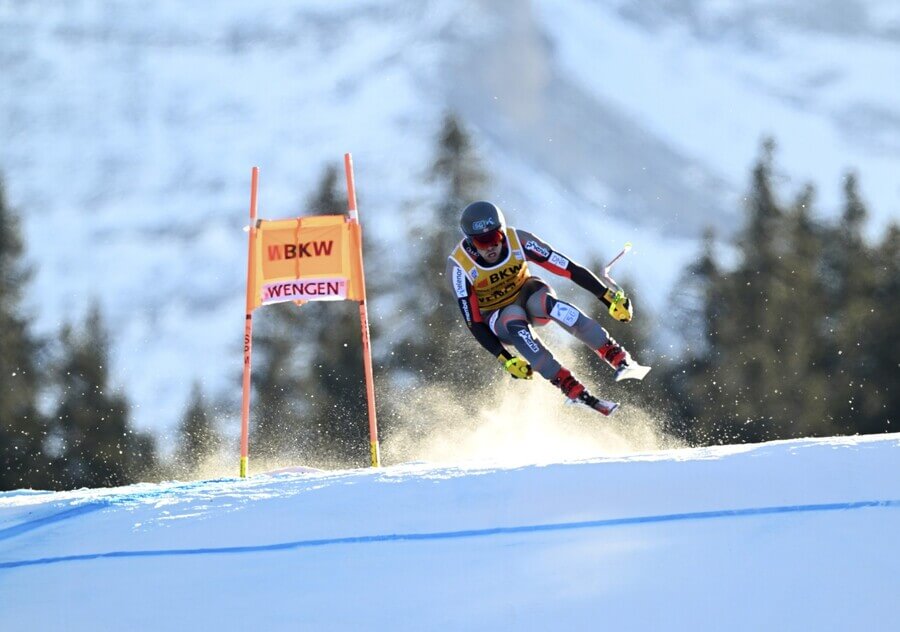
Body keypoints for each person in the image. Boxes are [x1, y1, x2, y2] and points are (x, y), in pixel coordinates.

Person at [446, 201, 650, 415]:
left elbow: (567, 268)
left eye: (495, 238)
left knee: (545, 303)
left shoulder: (519, 240)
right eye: (481, 242)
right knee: (512, 316)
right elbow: (473, 321)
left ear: (502, 231)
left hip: (528, 295)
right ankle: (567, 384)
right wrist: (504, 358)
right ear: (470, 241)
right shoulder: (460, 267)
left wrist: (607, 297)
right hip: (497, 318)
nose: (490, 247)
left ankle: (616, 355)